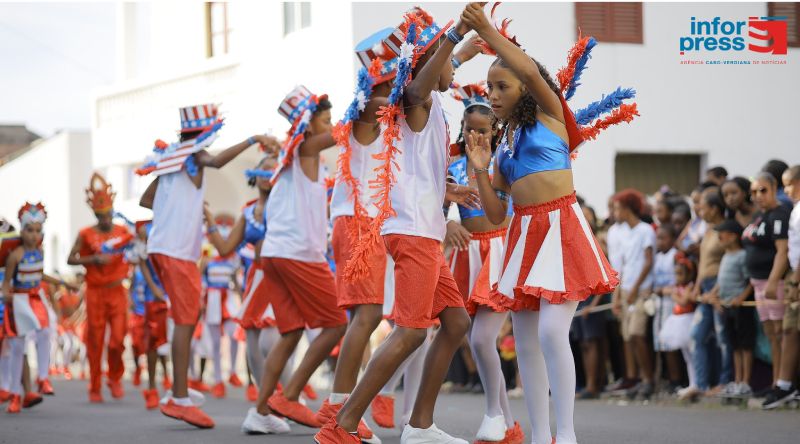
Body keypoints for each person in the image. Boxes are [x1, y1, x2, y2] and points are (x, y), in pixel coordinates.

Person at [462, 3, 620, 443]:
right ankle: (540, 435)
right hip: (524, 235)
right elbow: (495, 213)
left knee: (553, 332)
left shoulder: (552, 116)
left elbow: (531, 71)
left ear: (524, 90)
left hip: (560, 226)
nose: (492, 94)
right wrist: (478, 167)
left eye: (501, 85)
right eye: (489, 86)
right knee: (527, 343)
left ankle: (565, 433)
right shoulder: (504, 143)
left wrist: (491, 35)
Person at [317, 9, 473, 443]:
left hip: (425, 228)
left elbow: (417, 167)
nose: (453, 66)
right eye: (447, 58)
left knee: (456, 324)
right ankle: (342, 425)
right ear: (425, 63)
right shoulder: (415, 98)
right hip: (413, 232)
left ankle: (419, 426)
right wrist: (456, 34)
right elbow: (420, 83)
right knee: (410, 332)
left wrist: (447, 190)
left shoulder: (433, 103)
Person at [139, 103, 279, 428]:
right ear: (204, 134)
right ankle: (179, 397)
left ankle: (180, 392)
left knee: (184, 319)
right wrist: (252, 138)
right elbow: (215, 160)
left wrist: (184, 204)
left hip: (162, 246)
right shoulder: (194, 153)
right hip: (177, 251)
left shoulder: (171, 158)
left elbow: (147, 200)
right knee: (186, 321)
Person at [241, 86, 347, 436]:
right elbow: (342, 132)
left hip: (275, 254)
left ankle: (260, 412)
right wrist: (377, 102)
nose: (331, 126)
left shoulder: (294, 151)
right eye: (326, 120)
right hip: (297, 254)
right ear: (309, 123)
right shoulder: (304, 147)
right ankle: (288, 396)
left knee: (290, 332)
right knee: (335, 325)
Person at [66, 173, 133, 402]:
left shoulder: (123, 232)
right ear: (95, 213)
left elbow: (135, 253)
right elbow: (70, 259)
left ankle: (115, 377)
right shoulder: (85, 234)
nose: (105, 219)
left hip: (117, 291)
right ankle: (95, 385)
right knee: (94, 340)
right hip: (95, 292)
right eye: (100, 215)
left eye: (108, 214)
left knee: (117, 340)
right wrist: (92, 260)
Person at [2, 203, 64, 413]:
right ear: (22, 231)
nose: (34, 235)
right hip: (19, 302)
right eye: (30, 230)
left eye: (38, 230)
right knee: (17, 348)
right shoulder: (15, 255)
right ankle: (14, 393)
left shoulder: (39, 252)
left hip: (35, 298)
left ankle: (43, 378)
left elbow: (39, 274)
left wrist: (63, 283)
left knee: (45, 333)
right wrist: (6, 295)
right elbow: (7, 283)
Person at [742, 172, 791, 388]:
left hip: (774, 283)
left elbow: (783, 251)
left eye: (763, 190)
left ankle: (782, 382)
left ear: (773, 189)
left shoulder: (780, 213)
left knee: (780, 333)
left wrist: (773, 280)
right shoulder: (759, 215)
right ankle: (774, 381)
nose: (758, 195)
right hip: (757, 282)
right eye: (754, 192)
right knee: (771, 333)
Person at [682, 188, 731, 400]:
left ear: (714, 208)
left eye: (702, 205)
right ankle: (700, 384)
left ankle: (725, 382)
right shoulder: (709, 230)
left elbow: (729, 263)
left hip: (721, 288)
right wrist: (697, 287)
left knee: (723, 338)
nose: (699, 210)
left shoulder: (725, 230)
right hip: (705, 289)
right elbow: (703, 263)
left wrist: (715, 291)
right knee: (697, 335)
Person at [610, 189, 656, 400]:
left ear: (628, 209)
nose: (615, 212)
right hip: (627, 289)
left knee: (638, 334)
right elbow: (624, 266)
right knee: (628, 337)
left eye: (618, 208)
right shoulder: (625, 234)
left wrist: (636, 288)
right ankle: (635, 378)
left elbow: (648, 260)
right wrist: (617, 296)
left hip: (641, 290)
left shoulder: (645, 230)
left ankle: (648, 379)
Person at [762, 165, 800, 408]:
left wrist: (796, 279)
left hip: (796, 276)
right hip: (794, 275)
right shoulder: (795, 209)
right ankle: (785, 384)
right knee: (790, 331)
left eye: (789, 184)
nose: (786, 190)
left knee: (790, 330)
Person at [710, 220, 755, 397]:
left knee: (745, 344)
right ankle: (737, 380)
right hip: (727, 307)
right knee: (735, 345)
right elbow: (721, 282)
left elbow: (750, 280)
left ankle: (746, 382)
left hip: (741, 307)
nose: (719, 237)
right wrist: (714, 295)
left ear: (734, 236)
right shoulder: (726, 256)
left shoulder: (742, 256)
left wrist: (741, 298)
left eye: (723, 233)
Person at [659, 254, 698, 393]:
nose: (677, 277)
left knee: (693, 355)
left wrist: (674, 295)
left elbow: (683, 301)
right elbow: (665, 290)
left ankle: (696, 383)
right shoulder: (677, 287)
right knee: (686, 356)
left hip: (687, 320)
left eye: (680, 274)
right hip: (678, 321)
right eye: (676, 274)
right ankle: (692, 383)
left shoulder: (689, 286)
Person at [652, 223, 680, 391]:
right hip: (660, 303)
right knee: (661, 343)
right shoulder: (658, 257)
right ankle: (667, 377)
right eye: (658, 238)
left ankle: (676, 379)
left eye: (663, 238)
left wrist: (666, 290)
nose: (660, 241)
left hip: (673, 302)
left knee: (671, 343)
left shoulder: (675, 256)